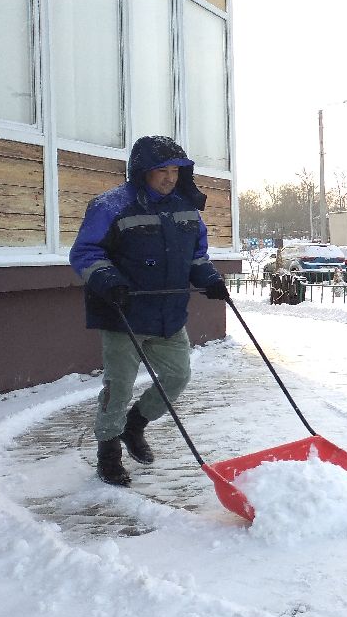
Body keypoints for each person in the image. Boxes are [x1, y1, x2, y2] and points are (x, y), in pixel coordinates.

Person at [69, 136, 229, 486]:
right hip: (123, 312)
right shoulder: (111, 206)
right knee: (119, 386)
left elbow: (196, 255)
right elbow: (85, 253)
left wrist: (209, 279)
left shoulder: (186, 207)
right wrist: (109, 281)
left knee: (178, 376)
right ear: (142, 171)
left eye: (175, 170)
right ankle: (108, 451)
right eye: (162, 170)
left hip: (168, 314)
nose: (170, 178)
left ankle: (134, 425)